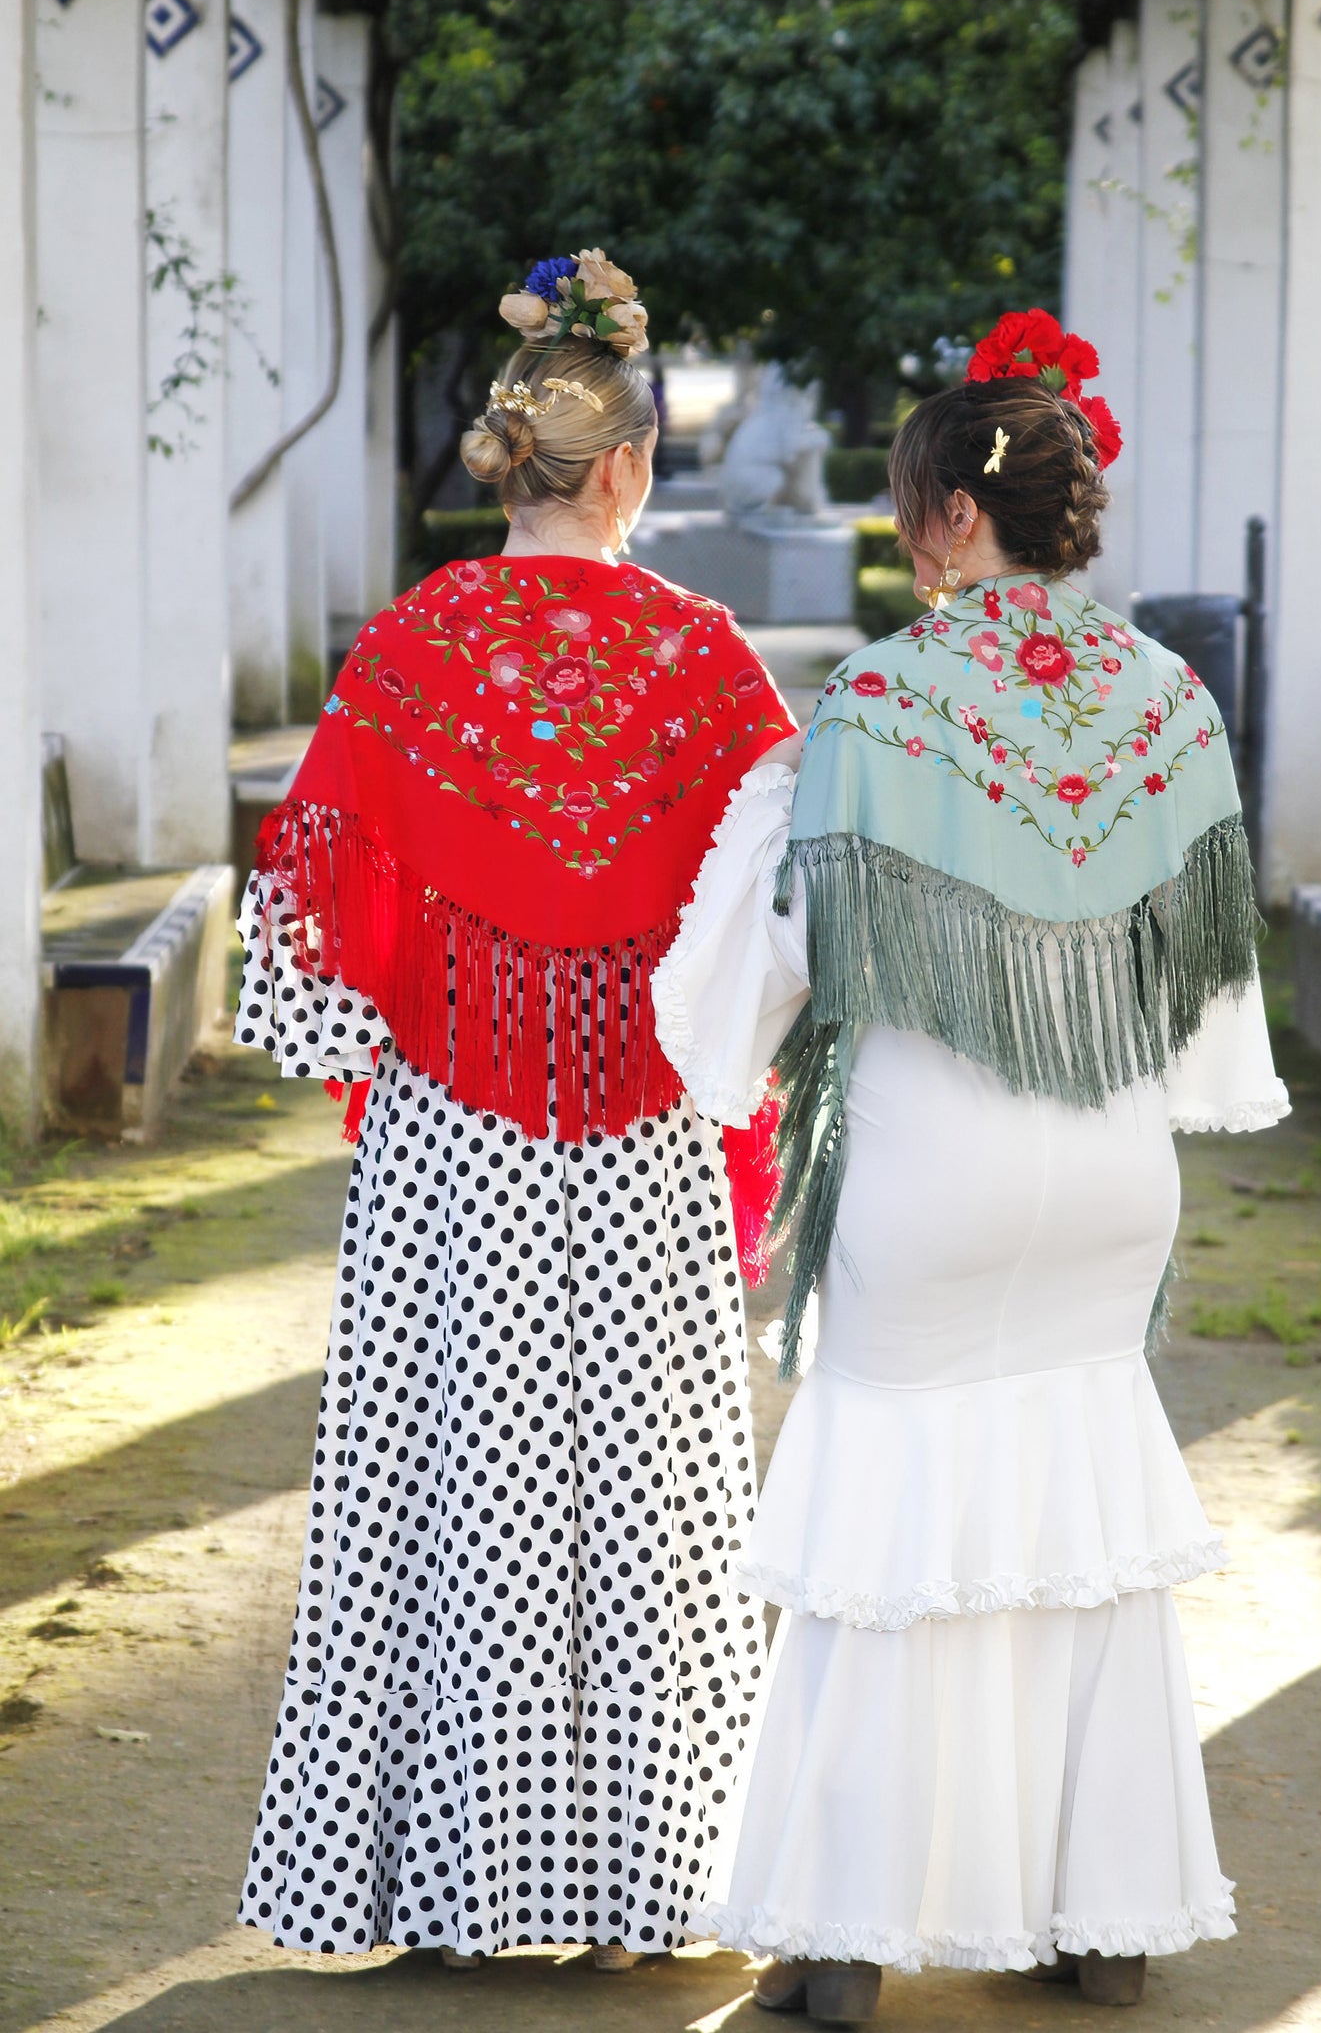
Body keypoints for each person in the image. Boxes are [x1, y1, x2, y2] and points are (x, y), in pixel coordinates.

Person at [652, 309, 1290, 2022]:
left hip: (931, 1180)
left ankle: (842, 1946)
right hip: (1105, 1178)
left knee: (891, 1535)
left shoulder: (874, 700)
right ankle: (1106, 1930)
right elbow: (1208, 989)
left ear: (944, 516)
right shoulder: (1164, 697)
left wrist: (716, 1044)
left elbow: (763, 961)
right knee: (1081, 1531)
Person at [232, 251, 794, 1969]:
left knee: (443, 1481)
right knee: (643, 1492)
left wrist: (417, 1018)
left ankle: (458, 1891)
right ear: (627, 464)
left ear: (510, 462)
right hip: (633, 1134)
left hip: (450, 1132)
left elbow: (309, 917)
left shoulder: (409, 647)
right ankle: (647, 1886)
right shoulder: (705, 663)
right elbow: (770, 929)